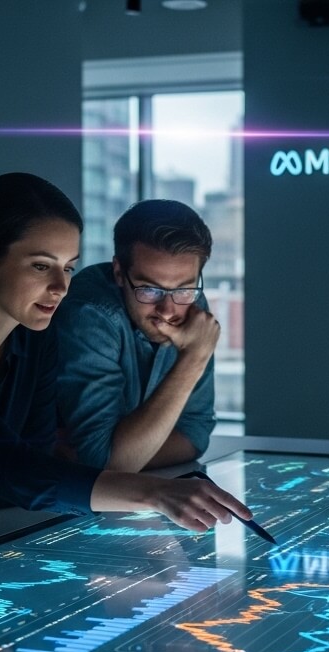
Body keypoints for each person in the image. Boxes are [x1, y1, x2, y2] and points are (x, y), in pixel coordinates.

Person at [0, 175, 246, 531]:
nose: (61, 287)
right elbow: (15, 467)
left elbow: (36, 462)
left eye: (69, 268)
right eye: (42, 266)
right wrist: (152, 493)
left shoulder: (34, 340)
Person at [52, 199, 218, 472]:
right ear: (119, 272)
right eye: (149, 289)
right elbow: (107, 463)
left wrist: (126, 456)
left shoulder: (191, 304)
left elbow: (196, 434)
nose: (168, 310)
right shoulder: (90, 313)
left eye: (184, 288)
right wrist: (193, 359)